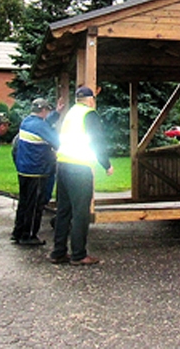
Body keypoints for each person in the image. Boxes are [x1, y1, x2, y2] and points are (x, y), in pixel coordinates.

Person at [49, 86, 113, 266]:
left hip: (62, 165)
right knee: (80, 212)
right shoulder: (89, 114)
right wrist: (106, 164)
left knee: (63, 210)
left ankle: (58, 252)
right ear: (91, 99)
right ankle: (78, 254)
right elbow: (97, 140)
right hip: (79, 167)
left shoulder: (71, 113)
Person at [11, 98, 60, 246]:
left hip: (24, 170)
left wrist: (56, 113)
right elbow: (57, 142)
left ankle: (18, 232)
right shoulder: (40, 126)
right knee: (35, 205)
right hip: (37, 171)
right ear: (43, 110)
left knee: (24, 203)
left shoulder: (27, 121)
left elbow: (43, 124)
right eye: (48, 110)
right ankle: (29, 235)